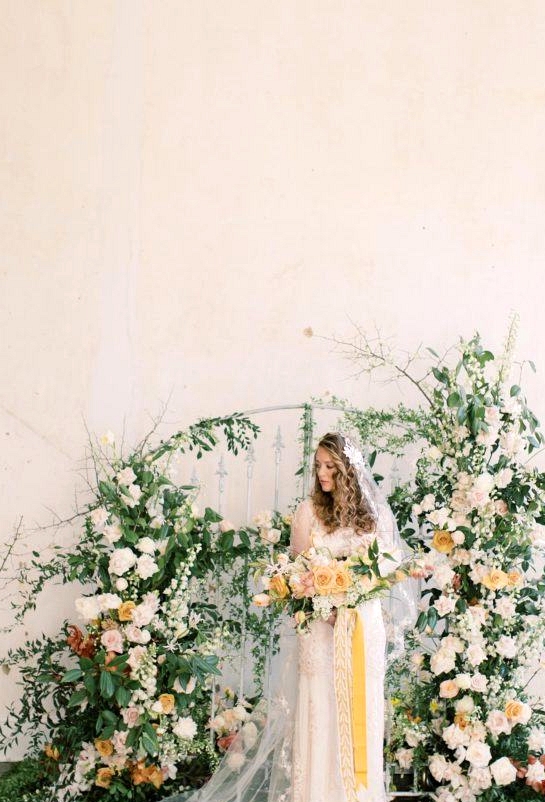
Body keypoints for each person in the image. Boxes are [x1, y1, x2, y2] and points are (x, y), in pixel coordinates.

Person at [161, 431, 415, 802]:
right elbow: (296, 576)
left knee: (362, 709)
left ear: (349, 470)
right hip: (320, 629)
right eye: (318, 466)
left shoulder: (371, 517)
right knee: (319, 712)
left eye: (330, 466)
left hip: (360, 627)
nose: (322, 474)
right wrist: (324, 605)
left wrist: (350, 604)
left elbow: (385, 570)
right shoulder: (308, 511)